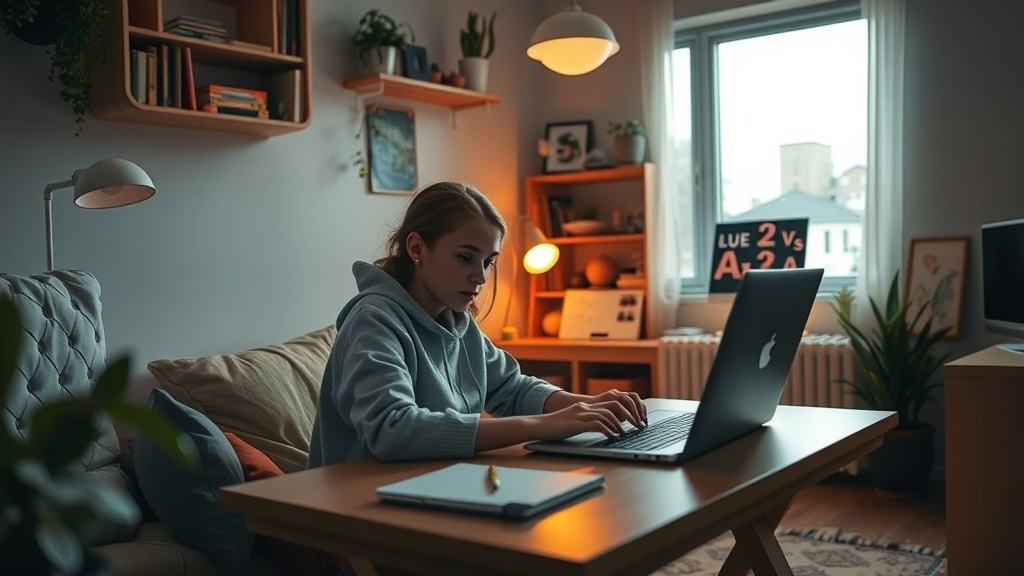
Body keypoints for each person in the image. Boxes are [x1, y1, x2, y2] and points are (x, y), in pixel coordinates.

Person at [308, 181, 648, 468]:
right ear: (417, 248)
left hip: (432, 486)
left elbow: (511, 389)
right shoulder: (374, 321)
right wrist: (544, 425)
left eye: (488, 262)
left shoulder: (457, 320)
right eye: (465, 257)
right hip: (358, 508)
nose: (480, 277)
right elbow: (392, 430)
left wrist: (587, 405)